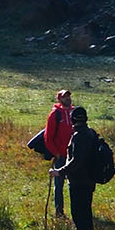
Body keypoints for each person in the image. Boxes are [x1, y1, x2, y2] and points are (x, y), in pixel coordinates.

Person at [57, 107, 104, 230]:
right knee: (86, 215)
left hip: (79, 182)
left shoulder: (79, 136)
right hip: (89, 181)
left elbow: (76, 161)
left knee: (79, 215)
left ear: (73, 120)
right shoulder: (91, 133)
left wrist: (60, 171)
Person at [43, 90, 75, 218]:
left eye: (68, 96)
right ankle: (59, 212)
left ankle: (75, 211)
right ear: (59, 99)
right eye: (65, 97)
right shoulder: (55, 115)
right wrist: (55, 153)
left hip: (73, 155)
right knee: (59, 184)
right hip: (60, 156)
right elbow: (48, 137)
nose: (68, 99)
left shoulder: (74, 113)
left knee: (74, 184)